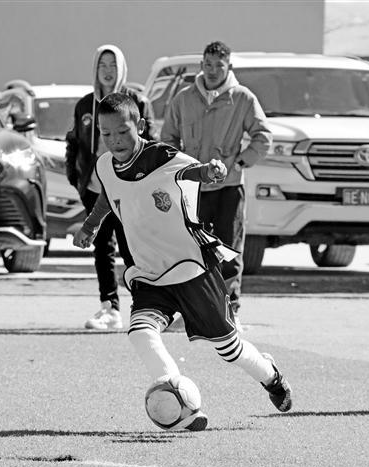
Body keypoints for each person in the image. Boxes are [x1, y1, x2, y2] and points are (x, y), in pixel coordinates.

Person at [73, 93, 292, 430]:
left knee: (228, 348)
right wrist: (90, 226)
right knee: (140, 333)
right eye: (106, 133)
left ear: (140, 126)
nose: (115, 140)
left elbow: (193, 171)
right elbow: (108, 194)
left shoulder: (161, 156)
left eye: (122, 132)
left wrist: (211, 171)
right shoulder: (105, 165)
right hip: (149, 272)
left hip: (190, 268)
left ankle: (271, 376)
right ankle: (178, 399)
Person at [160, 41, 272, 329]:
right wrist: (179, 168)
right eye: (208, 65)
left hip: (228, 188)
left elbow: (263, 137)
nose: (212, 71)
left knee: (228, 249)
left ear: (228, 67)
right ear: (201, 65)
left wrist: (240, 163)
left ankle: (230, 311)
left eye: (218, 66)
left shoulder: (243, 98)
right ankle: (191, 311)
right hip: (192, 188)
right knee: (190, 249)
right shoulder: (184, 98)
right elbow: (168, 138)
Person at [66, 44, 153, 330]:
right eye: (102, 65)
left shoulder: (136, 101)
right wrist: (75, 176)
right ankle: (110, 307)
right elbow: (74, 142)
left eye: (113, 65)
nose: (107, 71)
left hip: (129, 189)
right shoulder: (84, 105)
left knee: (132, 248)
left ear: (122, 68)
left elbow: (151, 143)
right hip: (95, 188)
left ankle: (147, 305)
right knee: (102, 248)